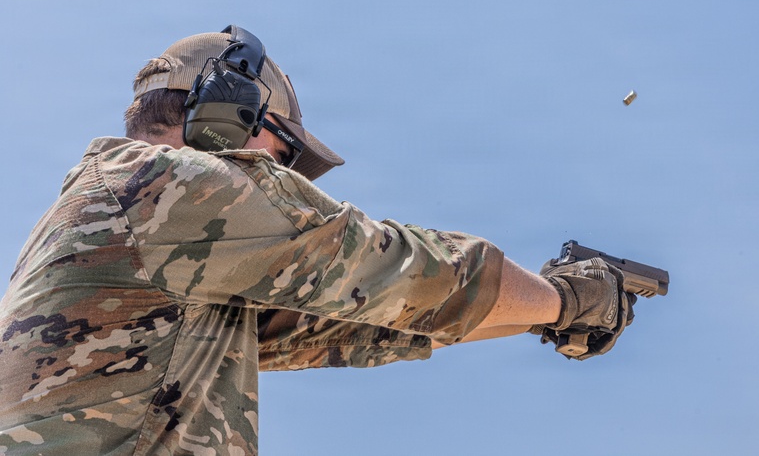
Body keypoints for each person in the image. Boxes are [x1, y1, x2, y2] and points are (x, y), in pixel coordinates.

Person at [0, 27, 635, 455]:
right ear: (228, 115)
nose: (282, 174)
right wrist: (575, 299)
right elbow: (404, 272)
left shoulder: (146, 232)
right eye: (282, 151)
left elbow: (375, 321)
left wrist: (544, 318)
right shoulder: (170, 185)